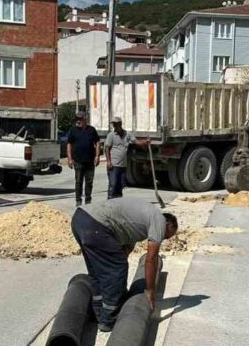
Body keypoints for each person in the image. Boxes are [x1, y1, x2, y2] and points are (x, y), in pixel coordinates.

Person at [71, 197, 178, 331]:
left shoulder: (141, 219)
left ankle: (98, 313)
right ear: (168, 225)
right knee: (117, 268)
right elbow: (151, 260)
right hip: (96, 224)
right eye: (167, 235)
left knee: (97, 270)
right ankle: (108, 319)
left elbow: (124, 249)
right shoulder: (159, 221)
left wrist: (120, 289)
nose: (163, 238)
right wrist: (150, 291)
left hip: (80, 219)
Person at [66, 112, 100, 207]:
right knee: (78, 182)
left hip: (89, 161)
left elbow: (97, 142)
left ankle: (88, 200)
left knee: (89, 182)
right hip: (78, 161)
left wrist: (97, 156)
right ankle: (78, 201)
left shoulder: (92, 130)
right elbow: (69, 144)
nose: (78, 121)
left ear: (85, 119)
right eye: (77, 119)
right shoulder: (73, 130)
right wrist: (69, 159)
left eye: (80, 119)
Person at [104, 116, 135, 199]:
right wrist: (108, 162)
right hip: (113, 165)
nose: (114, 126)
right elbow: (107, 148)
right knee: (113, 185)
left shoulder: (127, 134)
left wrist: (145, 142)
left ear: (120, 124)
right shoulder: (111, 135)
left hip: (123, 166)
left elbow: (136, 141)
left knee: (120, 185)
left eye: (116, 124)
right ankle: (110, 201)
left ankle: (118, 201)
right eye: (113, 124)